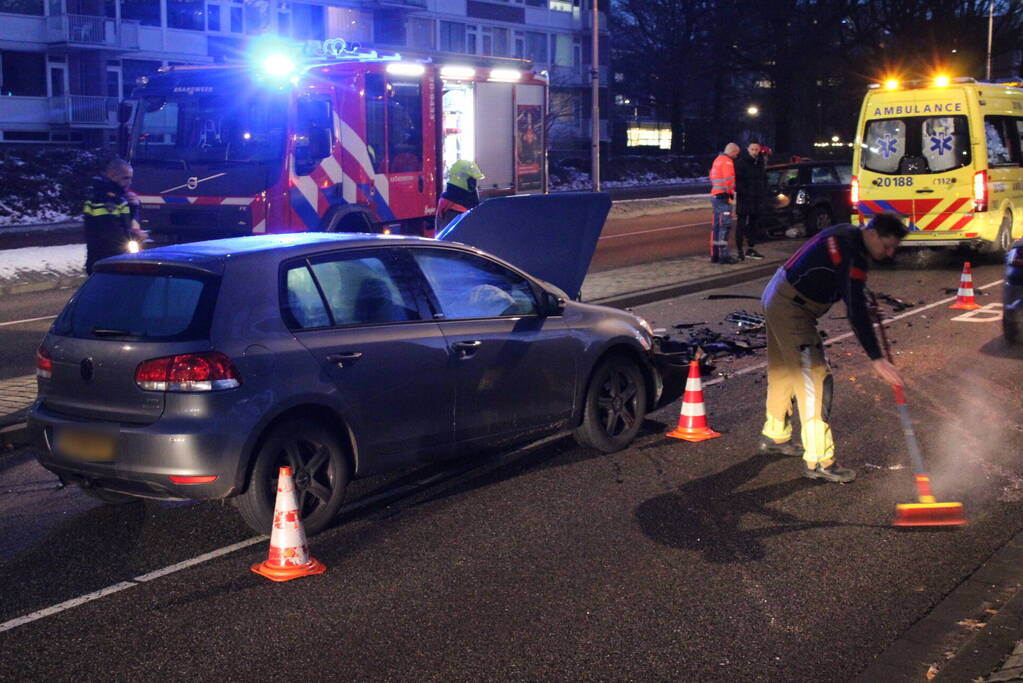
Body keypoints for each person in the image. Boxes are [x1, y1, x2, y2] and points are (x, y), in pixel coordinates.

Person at [758, 212, 908, 483]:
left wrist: (860, 295)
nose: (888, 254)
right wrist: (876, 358)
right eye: (886, 246)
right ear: (872, 233)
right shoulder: (851, 252)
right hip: (792, 309)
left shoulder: (845, 233)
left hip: (777, 293)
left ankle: (775, 434)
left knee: (784, 371)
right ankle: (819, 460)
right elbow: (855, 308)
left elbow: (844, 280)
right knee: (814, 381)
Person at [83, 158, 144, 274]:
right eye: (125, 178)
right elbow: (110, 232)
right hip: (105, 261)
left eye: (130, 178)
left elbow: (122, 223)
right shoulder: (104, 199)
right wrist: (136, 237)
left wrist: (131, 207)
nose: (129, 182)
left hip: (111, 260)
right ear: (112, 176)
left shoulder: (117, 197)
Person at [708, 142, 740, 264]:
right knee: (724, 226)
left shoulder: (717, 160)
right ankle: (724, 255)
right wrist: (731, 193)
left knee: (716, 226)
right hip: (724, 197)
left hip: (715, 195)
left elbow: (711, 176)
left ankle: (714, 254)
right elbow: (729, 180)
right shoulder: (727, 162)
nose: (736, 156)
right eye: (736, 154)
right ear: (732, 152)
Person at [734, 141, 767, 260]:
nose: (754, 151)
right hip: (745, 198)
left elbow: (763, 179)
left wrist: (762, 192)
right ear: (748, 149)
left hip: (756, 199)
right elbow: (737, 181)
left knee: (753, 224)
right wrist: (746, 192)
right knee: (741, 224)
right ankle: (739, 250)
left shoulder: (760, 162)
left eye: (756, 149)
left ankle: (751, 248)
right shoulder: (741, 163)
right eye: (752, 149)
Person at [434, 159, 484, 235]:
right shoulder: (454, 208)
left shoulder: (450, 199)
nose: (474, 184)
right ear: (461, 179)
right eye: (472, 180)